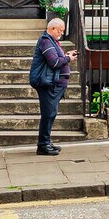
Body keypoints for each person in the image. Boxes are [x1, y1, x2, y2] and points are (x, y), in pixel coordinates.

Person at [28, 16, 72, 156]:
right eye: (60, 30)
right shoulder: (46, 41)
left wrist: (66, 56)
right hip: (48, 84)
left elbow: (57, 59)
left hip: (54, 84)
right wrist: (68, 58)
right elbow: (54, 62)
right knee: (48, 114)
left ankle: (46, 142)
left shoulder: (51, 41)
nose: (62, 33)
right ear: (52, 28)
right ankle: (43, 145)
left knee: (51, 114)